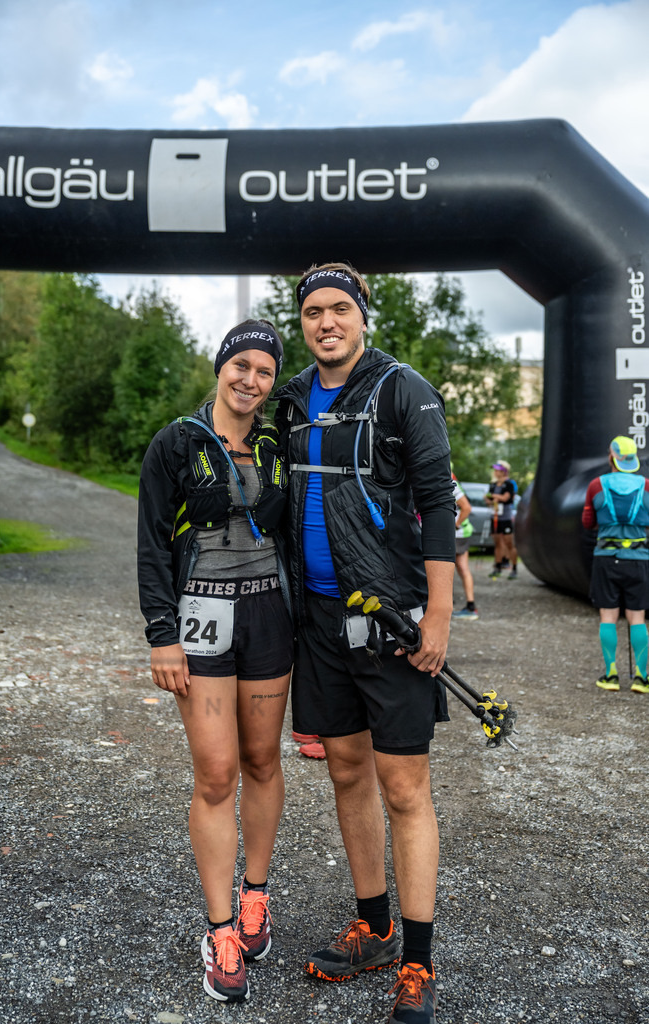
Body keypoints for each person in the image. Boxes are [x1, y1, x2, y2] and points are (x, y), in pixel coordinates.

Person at [275, 262, 455, 1024]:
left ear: (362, 317)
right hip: (317, 621)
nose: (326, 323)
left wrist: (438, 615)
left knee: (405, 788)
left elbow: (439, 501)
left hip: (390, 619)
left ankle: (416, 959)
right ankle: (373, 928)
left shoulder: (401, 389)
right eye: (313, 311)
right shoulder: (286, 398)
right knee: (346, 772)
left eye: (339, 309)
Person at [137, 320, 293, 1004]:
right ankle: (220, 928)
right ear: (220, 366)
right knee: (216, 773)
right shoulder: (175, 441)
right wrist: (160, 634)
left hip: (267, 616)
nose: (250, 379)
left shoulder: (275, 441)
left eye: (263, 370)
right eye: (240, 365)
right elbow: (148, 544)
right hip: (199, 618)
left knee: (262, 761)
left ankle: (255, 894)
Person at [581, 434, 649, 692]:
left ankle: (611, 675)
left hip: (606, 559)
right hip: (639, 559)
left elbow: (588, 522)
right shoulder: (646, 485)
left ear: (611, 457)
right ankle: (642, 678)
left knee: (608, 616)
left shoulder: (596, 485)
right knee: (638, 618)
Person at [451, 474, 479, 619]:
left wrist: (455, 525)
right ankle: (470, 606)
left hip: (457, 534)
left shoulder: (450, 483)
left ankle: (449, 604)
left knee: (447, 569)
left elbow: (466, 507)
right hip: (461, 533)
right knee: (462, 569)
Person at [485, 462, 518, 579]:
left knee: (509, 543)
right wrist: (489, 500)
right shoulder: (493, 484)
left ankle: (514, 568)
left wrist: (494, 496)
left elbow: (506, 498)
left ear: (503, 471)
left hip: (506, 518)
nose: (495, 472)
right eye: (494, 470)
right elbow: (489, 500)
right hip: (495, 516)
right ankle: (497, 567)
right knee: (498, 543)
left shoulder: (509, 484)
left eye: (497, 470)